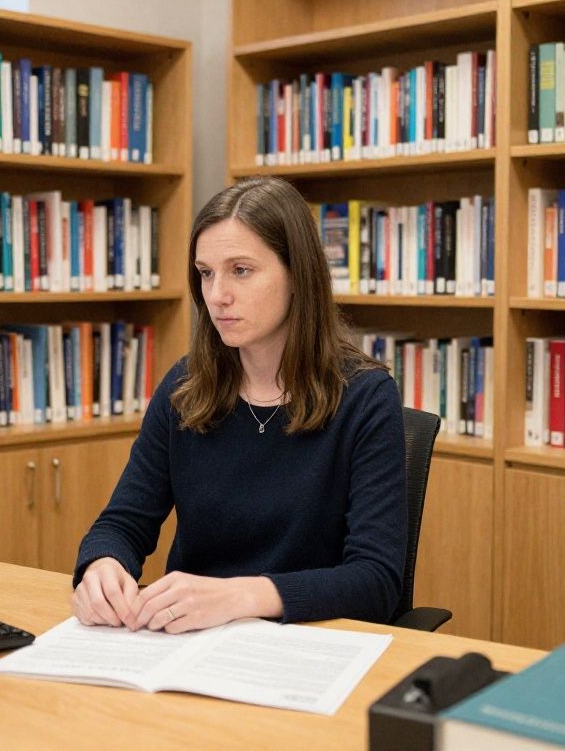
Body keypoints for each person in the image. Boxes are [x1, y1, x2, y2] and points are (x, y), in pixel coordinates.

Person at [71, 176, 406, 634]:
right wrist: (102, 566)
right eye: (206, 273)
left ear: (297, 275)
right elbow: (123, 522)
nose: (216, 295)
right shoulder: (186, 386)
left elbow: (376, 581)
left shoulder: (365, 397)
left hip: (307, 644)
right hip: (188, 641)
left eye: (241, 270)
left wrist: (241, 595)